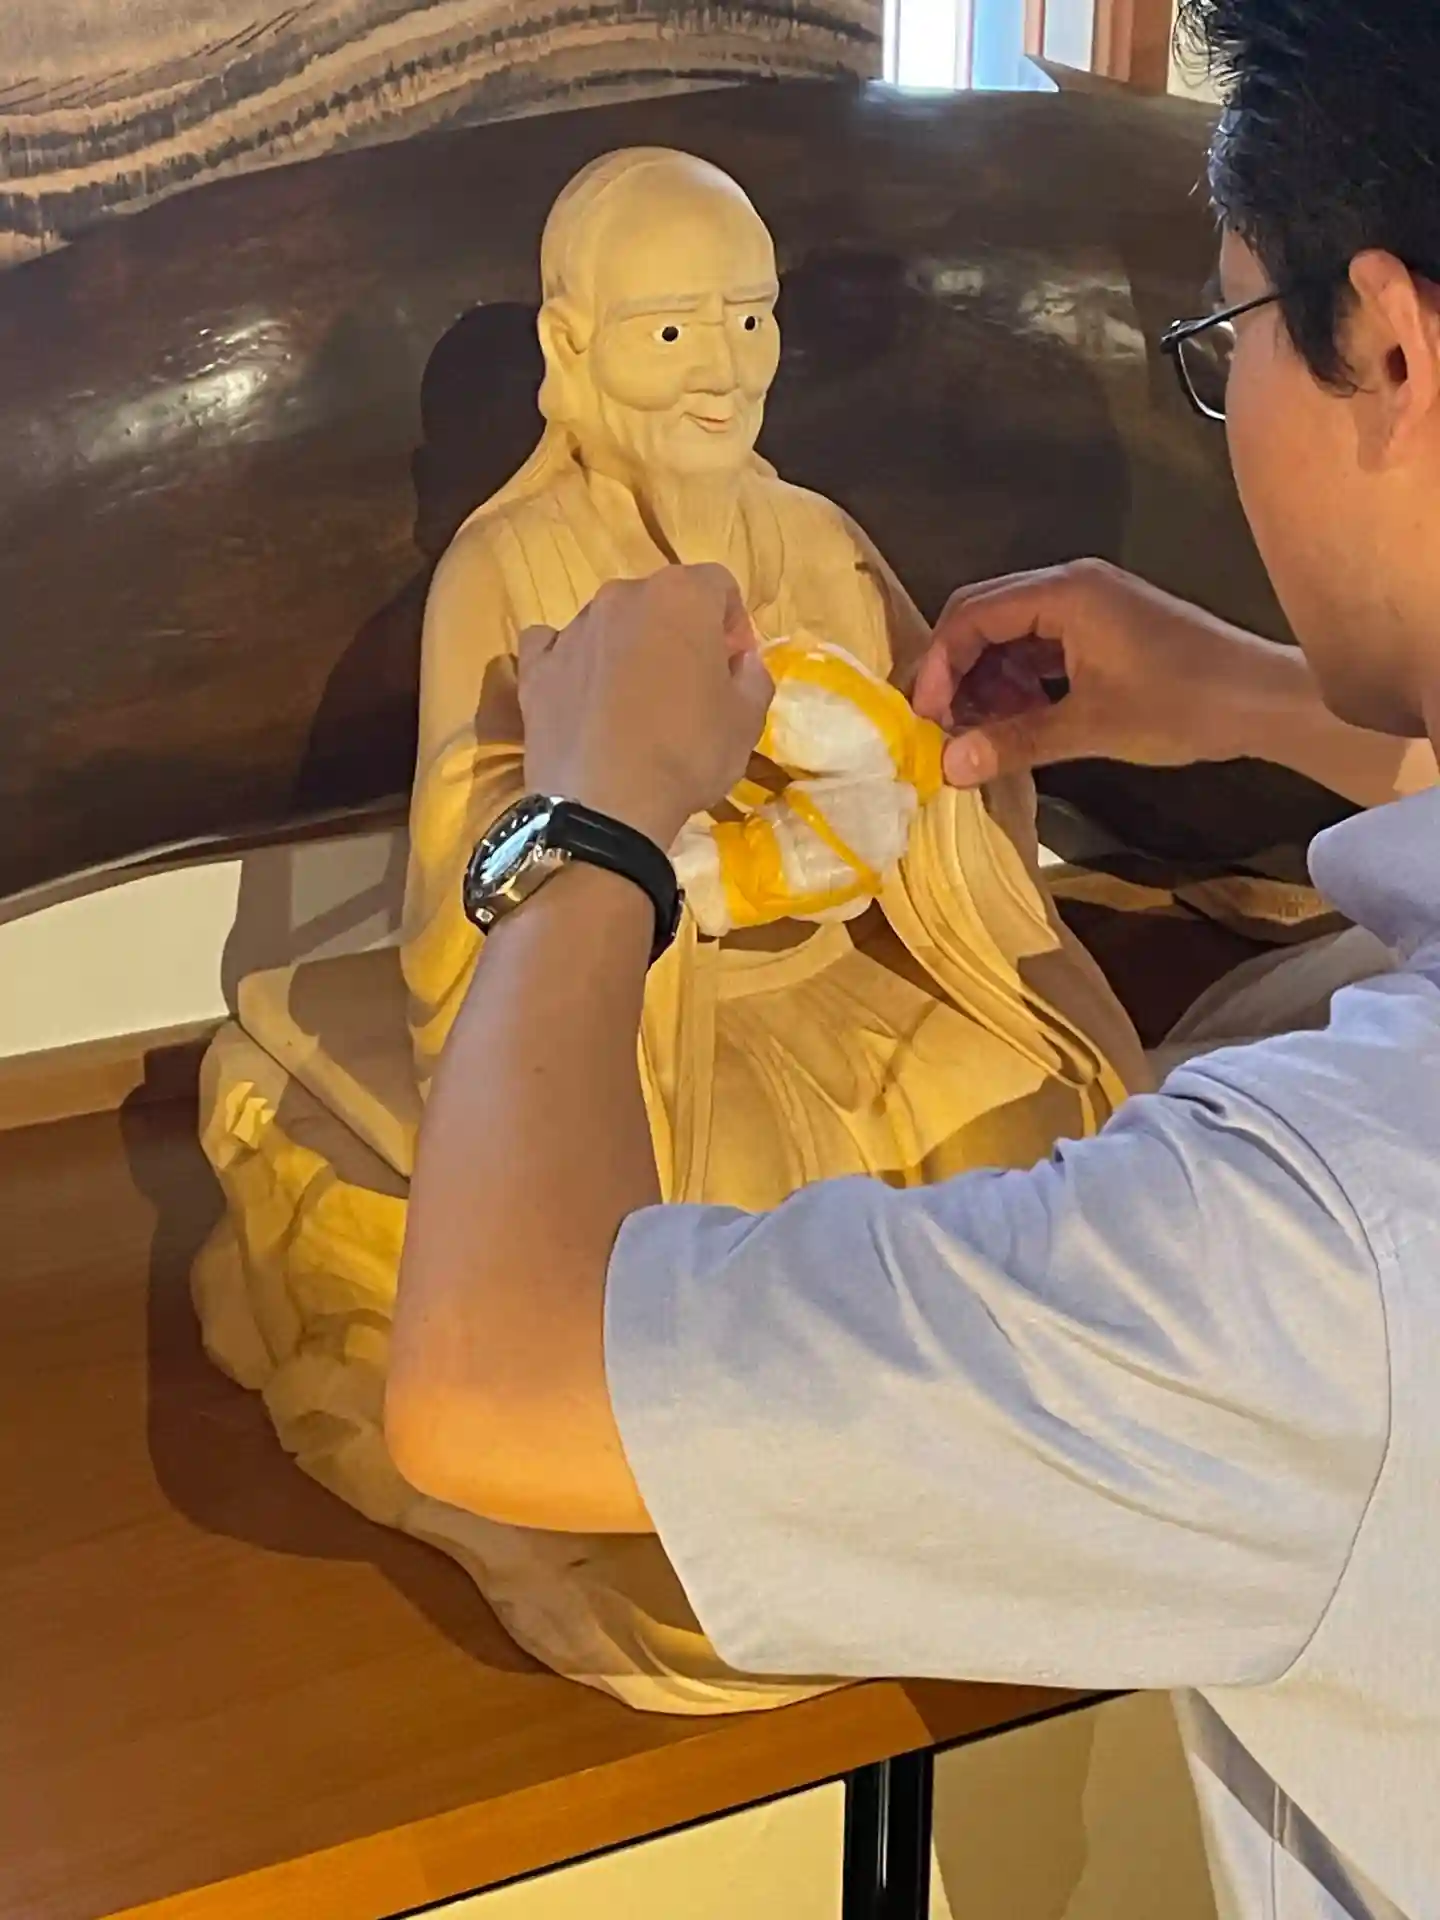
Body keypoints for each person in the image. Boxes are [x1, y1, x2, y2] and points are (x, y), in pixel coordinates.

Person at [386, 1, 1440, 1912]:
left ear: (1389, 346)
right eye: (671, 331)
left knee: (1015, 1092)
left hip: (755, 971)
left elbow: (489, 1381)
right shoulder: (516, 559)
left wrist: (600, 822)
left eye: (1221, 343)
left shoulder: (1326, 1251)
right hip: (684, 1013)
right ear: (573, 351)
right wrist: (1253, 694)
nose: (722, 366)